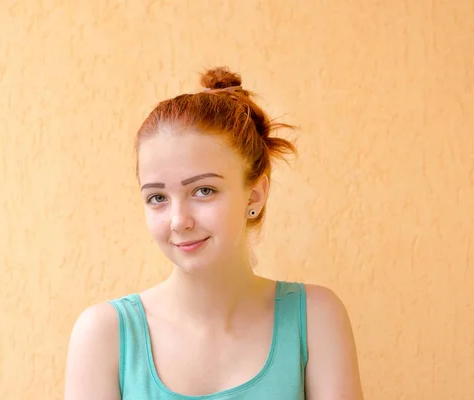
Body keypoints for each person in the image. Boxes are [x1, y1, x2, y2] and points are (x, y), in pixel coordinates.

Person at [64, 67, 364, 399]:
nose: (179, 220)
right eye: (157, 198)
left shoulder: (316, 319)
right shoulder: (104, 335)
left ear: (255, 194)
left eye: (204, 190)